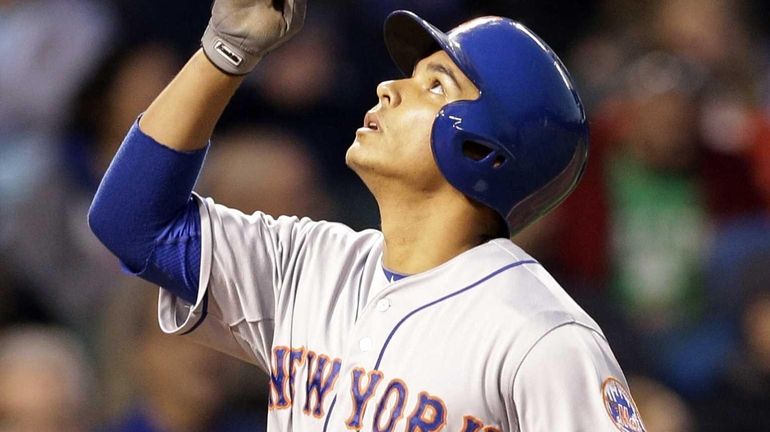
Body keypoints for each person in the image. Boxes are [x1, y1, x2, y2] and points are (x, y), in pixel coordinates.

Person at [88, 1, 644, 430]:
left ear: (484, 152)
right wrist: (225, 52)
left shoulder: (541, 336)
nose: (390, 88)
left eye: (434, 85)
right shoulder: (307, 265)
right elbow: (133, 223)